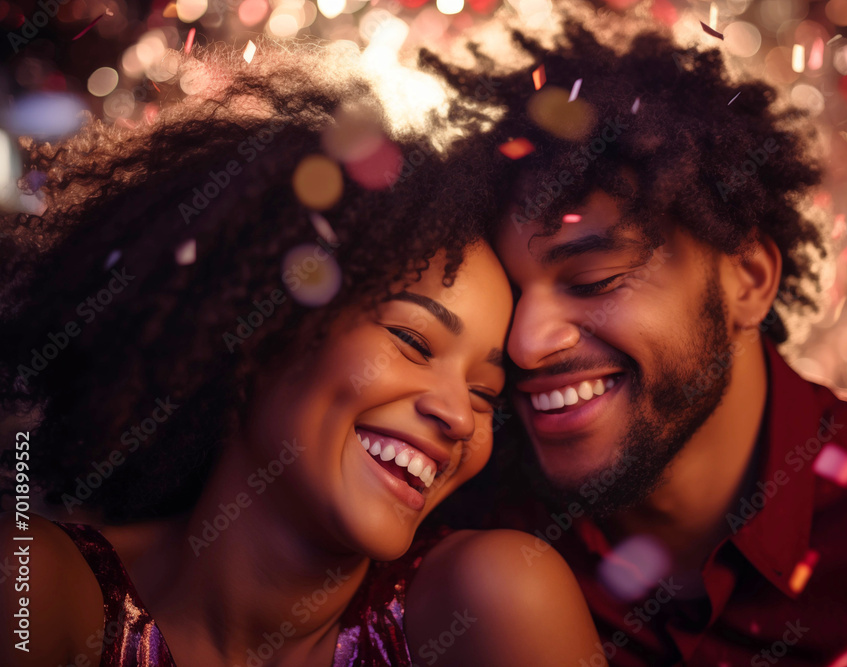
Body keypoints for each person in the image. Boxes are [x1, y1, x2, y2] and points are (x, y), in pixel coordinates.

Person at [0, 41, 604, 667]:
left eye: (485, 395)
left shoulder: (494, 600)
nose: (458, 417)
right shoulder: (32, 594)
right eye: (413, 341)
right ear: (261, 328)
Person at [425, 10, 847, 666]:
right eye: (509, 294)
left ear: (749, 280)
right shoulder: (460, 519)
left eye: (594, 279)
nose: (526, 344)